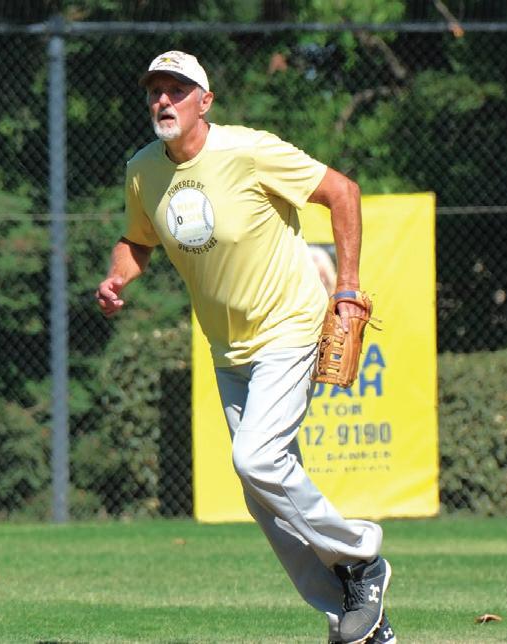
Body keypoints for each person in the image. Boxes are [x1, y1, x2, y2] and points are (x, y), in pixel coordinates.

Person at [95, 50, 396, 644]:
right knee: (262, 496)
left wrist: (347, 287)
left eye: (177, 90)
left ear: (205, 101)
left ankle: (362, 559)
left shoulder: (250, 151)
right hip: (227, 348)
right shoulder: (143, 170)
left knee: (257, 460)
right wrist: (116, 276)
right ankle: (355, 618)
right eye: (155, 90)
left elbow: (343, 192)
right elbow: (137, 239)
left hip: (289, 326)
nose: (163, 100)